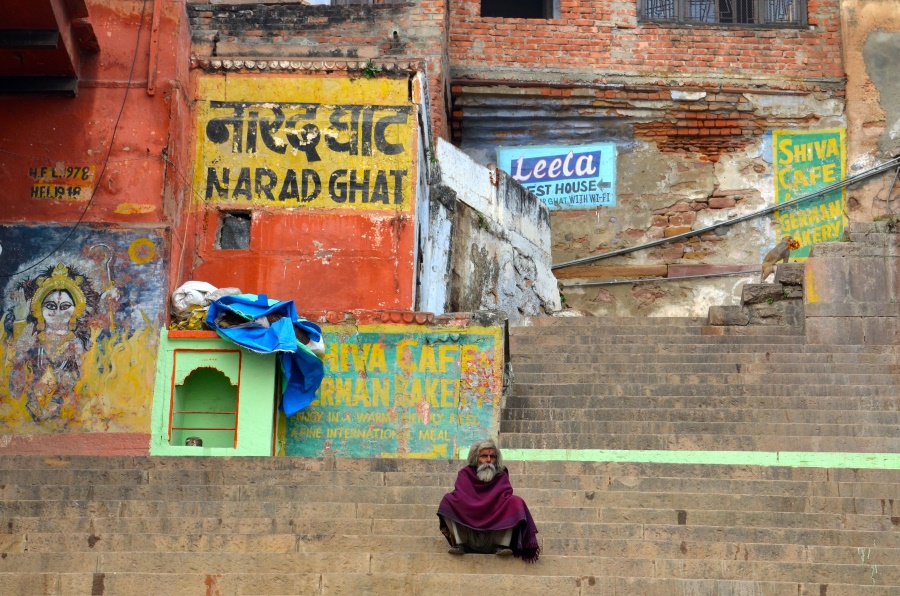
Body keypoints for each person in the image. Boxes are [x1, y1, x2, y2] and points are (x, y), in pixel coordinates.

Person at [437, 438, 540, 562]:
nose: (488, 460)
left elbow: (505, 498)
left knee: (515, 502)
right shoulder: (465, 474)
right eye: (484, 456)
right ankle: (461, 544)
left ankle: (502, 545)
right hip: (469, 534)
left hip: (494, 535)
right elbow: (460, 498)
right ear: (476, 458)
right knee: (448, 501)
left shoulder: (501, 475)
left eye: (492, 457)